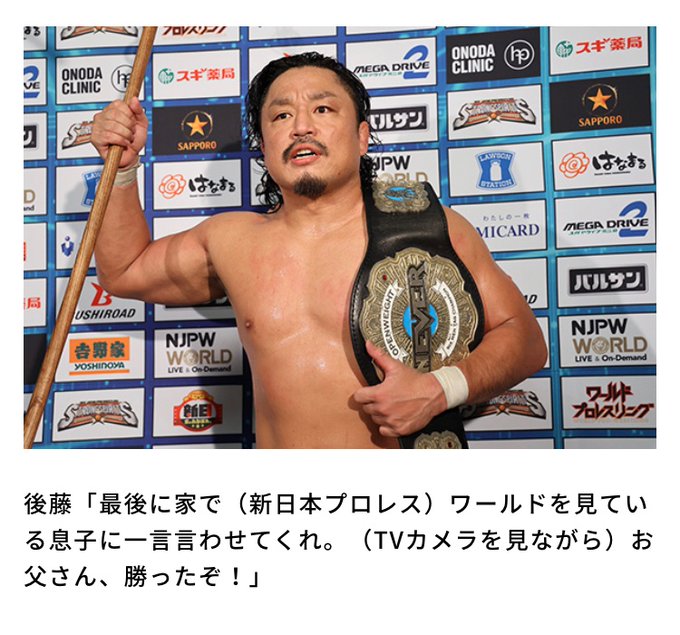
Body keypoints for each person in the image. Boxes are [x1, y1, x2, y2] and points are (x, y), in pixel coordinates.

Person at [91, 52, 547, 449]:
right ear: (264, 146)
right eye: (280, 116)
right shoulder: (231, 240)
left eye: (323, 109)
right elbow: (125, 270)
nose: (301, 127)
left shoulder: (428, 227)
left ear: (362, 137)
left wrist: (440, 389)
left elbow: (525, 341)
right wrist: (123, 168)